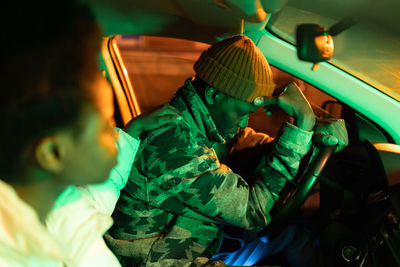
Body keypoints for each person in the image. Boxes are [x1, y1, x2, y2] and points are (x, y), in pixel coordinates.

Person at [107, 35, 348, 266]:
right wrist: (302, 125)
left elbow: (246, 147)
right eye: (241, 114)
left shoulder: (195, 121)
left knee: (295, 236)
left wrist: (308, 138)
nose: (244, 124)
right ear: (213, 95)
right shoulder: (175, 143)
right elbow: (255, 212)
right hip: (157, 262)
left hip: (192, 246)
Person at [0, 2, 179, 266]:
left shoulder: (58, 202)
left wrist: (133, 131)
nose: (115, 134)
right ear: (52, 153)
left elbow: (95, 199)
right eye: (107, 124)